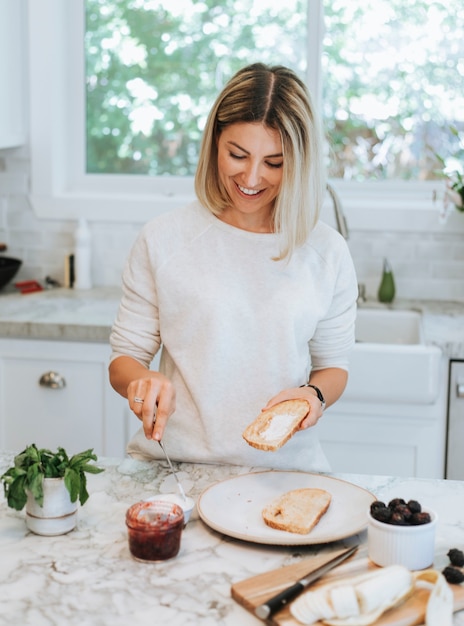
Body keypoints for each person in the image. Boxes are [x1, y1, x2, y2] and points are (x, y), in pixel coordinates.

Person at [109, 63, 358, 471]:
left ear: (299, 162)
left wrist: (314, 395)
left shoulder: (326, 252)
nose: (252, 177)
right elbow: (123, 362)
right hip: (176, 467)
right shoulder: (164, 238)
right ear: (214, 144)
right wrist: (142, 380)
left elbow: (333, 367)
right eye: (237, 155)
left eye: (274, 163)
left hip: (284, 470)